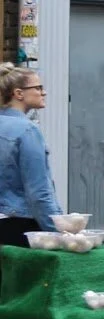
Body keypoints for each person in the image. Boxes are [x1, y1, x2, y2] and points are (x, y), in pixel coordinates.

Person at [0, 69, 60, 250]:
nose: (44, 92)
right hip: (19, 226)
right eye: (38, 87)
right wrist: (60, 232)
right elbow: (39, 193)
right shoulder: (26, 130)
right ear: (18, 93)